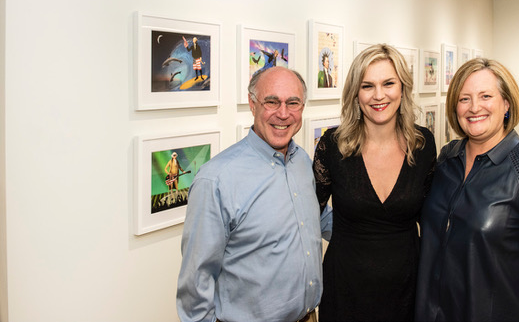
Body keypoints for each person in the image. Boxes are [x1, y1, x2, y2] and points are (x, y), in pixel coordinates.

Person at [415, 58, 519, 322]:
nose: (474, 107)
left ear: (506, 103)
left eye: (486, 96)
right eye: (464, 99)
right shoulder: (446, 160)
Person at [177, 67, 331, 322]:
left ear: (302, 107)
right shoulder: (216, 180)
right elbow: (196, 282)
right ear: (252, 103)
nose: (283, 113)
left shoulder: (302, 161)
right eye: (272, 101)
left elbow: (320, 218)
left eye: (293, 103)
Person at [313, 44, 437, 322]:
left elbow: (429, 218)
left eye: (388, 83)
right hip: (345, 289)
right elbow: (309, 213)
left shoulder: (423, 144)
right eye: (367, 85)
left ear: (402, 88)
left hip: (408, 288)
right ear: (355, 94)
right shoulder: (332, 145)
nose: (379, 95)